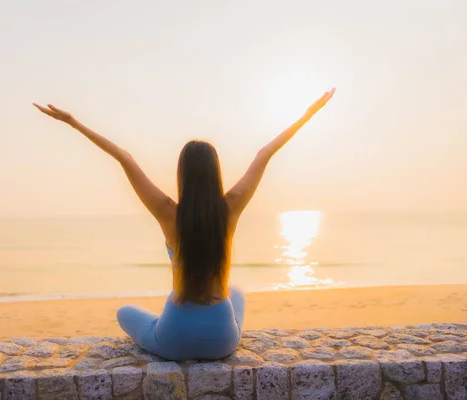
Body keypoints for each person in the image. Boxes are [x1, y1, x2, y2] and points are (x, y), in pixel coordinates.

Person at [33, 87, 335, 360]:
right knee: (236, 294)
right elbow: (264, 154)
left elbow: (124, 158)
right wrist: (308, 114)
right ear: (215, 172)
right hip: (222, 340)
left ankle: (167, 326)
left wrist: (74, 124)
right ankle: (205, 327)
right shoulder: (230, 207)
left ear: (183, 175)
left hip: (175, 336)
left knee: (125, 313)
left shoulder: (168, 213)